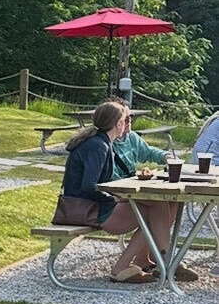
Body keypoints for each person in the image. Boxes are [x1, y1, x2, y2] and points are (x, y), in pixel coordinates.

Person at [62, 100, 192, 284]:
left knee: (160, 205)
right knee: (155, 209)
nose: (129, 122)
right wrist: (114, 197)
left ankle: (149, 260)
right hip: (87, 210)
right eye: (126, 119)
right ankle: (163, 258)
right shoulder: (99, 146)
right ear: (118, 123)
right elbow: (88, 187)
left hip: (92, 205)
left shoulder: (101, 142)